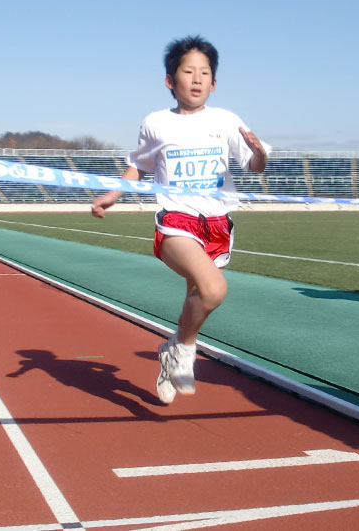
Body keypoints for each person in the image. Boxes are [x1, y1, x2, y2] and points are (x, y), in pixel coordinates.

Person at [91, 35, 270, 404]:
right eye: (188, 71)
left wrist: (257, 153)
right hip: (176, 221)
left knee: (196, 295)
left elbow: (255, 166)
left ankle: (173, 348)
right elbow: (137, 167)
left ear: (214, 83)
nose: (197, 79)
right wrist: (113, 194)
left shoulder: (225, 120)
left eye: (205, 72)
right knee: (213, 289)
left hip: (218, 224)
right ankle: (184, 350)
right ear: (171, 80)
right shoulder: (156, 123)